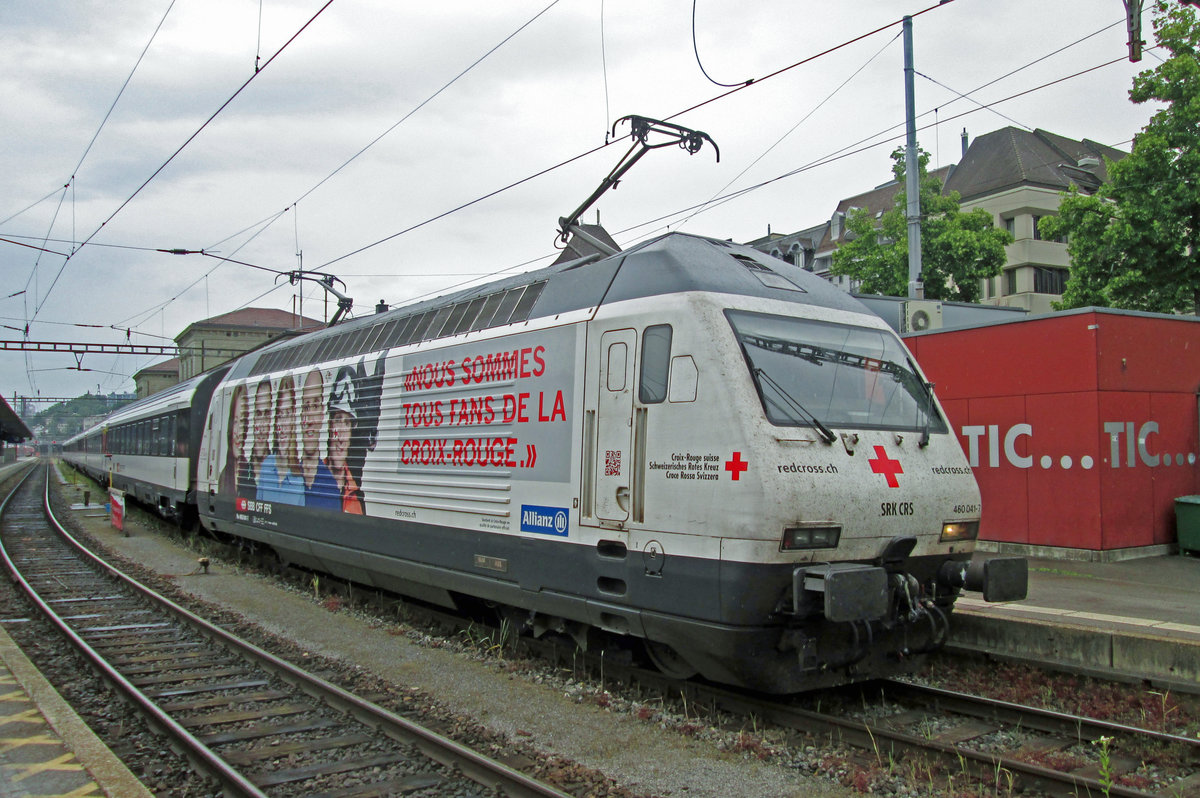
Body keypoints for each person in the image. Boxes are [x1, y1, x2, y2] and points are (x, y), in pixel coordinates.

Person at [257, 375, 305, 505]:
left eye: (288, 414)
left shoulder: (299, 477)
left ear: (294, 417)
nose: (283, 424)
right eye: (280, 415)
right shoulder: (266, 465)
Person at [300, 368, 340, 510]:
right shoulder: (287, 476)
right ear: (301, 415)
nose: (310, 419)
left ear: (323, 414)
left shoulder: (331, 486)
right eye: (306, 406)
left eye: (315, 406)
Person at [327, 366, 364, 514]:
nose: (340, 437)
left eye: (347, 423)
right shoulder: (310, 477)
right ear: (329, 425)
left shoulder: (356, 498)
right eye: (338, 420)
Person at [219, 384, 253, 497]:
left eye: (243, 421)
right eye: (235, 421)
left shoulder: (250, 473)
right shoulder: (223, 477)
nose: (239, 432)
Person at [251, 378, 272, 486]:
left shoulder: (279, 470)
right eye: (258, 414)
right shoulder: (241, 469)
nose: (261, 425)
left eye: (267, 414)